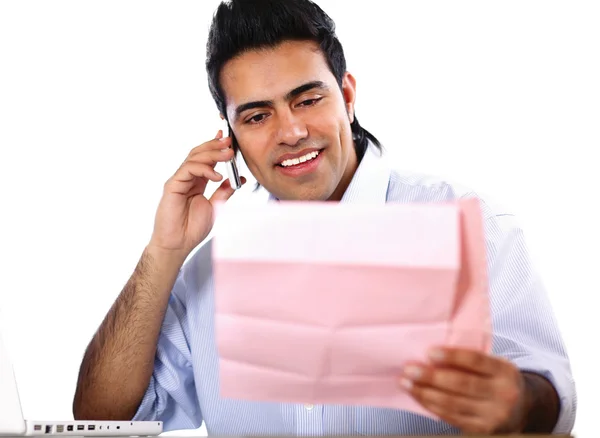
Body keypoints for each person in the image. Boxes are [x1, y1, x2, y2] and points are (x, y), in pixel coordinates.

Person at [72, 0, 576, 435]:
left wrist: (519, 400)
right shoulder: (206, 270)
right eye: (257, 115)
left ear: (348, 97)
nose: (290, 131)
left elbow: (551, 399)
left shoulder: (470, 224)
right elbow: (102, 418)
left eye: (308, 99)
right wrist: (164, 252)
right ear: (229, 137)